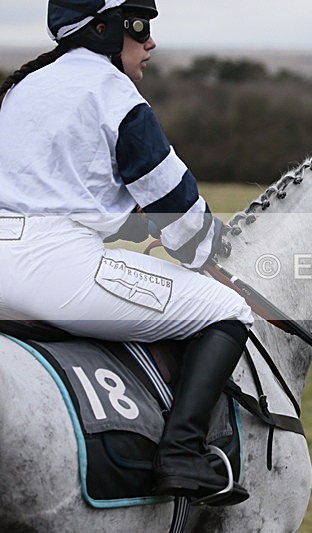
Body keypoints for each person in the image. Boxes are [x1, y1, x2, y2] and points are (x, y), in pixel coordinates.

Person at [0, 0, 253, 505]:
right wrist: (206, 244)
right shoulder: (114, 93)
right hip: (53, 272)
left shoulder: (24, 88)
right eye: (141, 28)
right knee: (229, 309)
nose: (150, 42)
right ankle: (182, 454)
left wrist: (132, 230)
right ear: (104, 29)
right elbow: (179, 213)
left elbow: (54, 192)